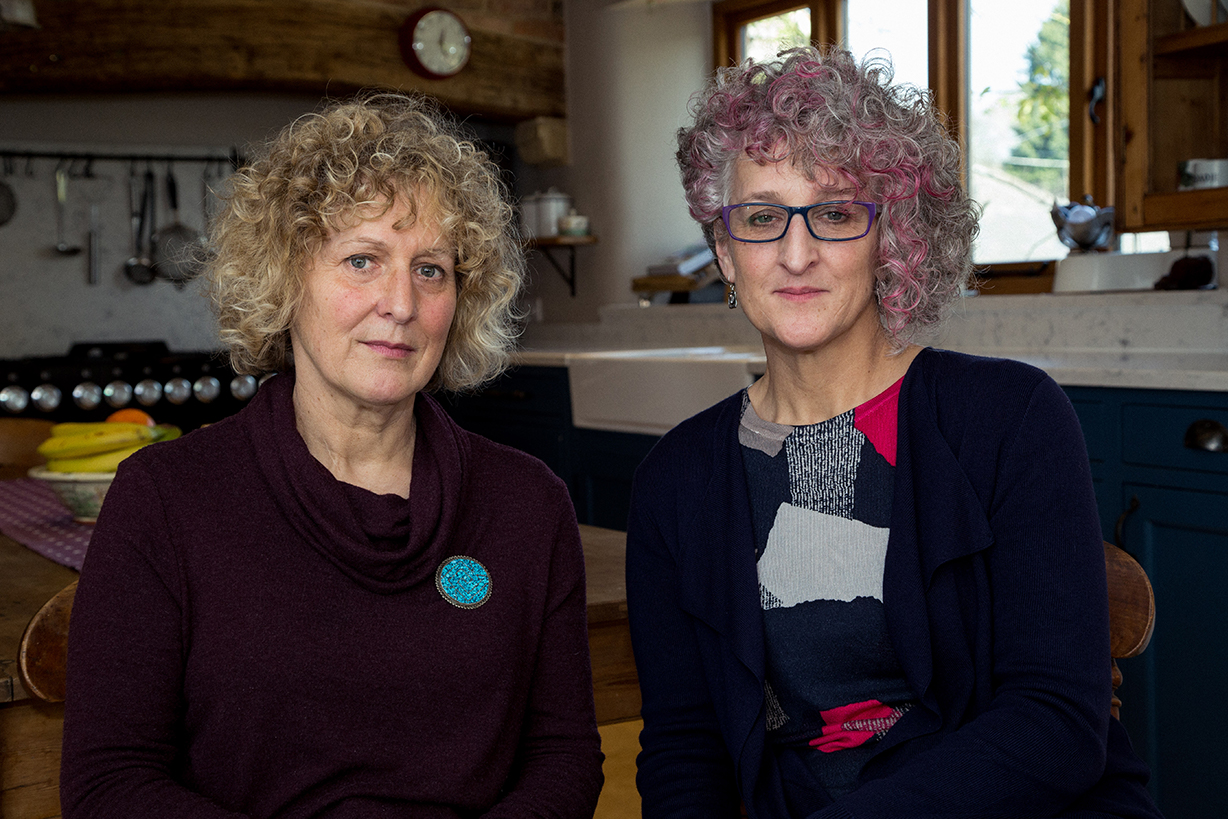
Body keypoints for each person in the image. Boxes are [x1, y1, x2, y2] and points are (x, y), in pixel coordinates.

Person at [625, 47, 1162, 819]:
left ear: (891, 241)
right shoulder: (673, 482)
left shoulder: (1009, 417)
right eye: (762, 216)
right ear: (723, 251)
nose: (796, 252)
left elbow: (1056, 722)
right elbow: (684, 746)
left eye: (836, 213)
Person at [60, 93, 604, 819]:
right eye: (361, 259)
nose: (401, 303)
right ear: (286, 282)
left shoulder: (527, 504)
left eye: (432, 269)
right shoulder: (164, 499)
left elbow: (564, 756)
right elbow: (108, 783)